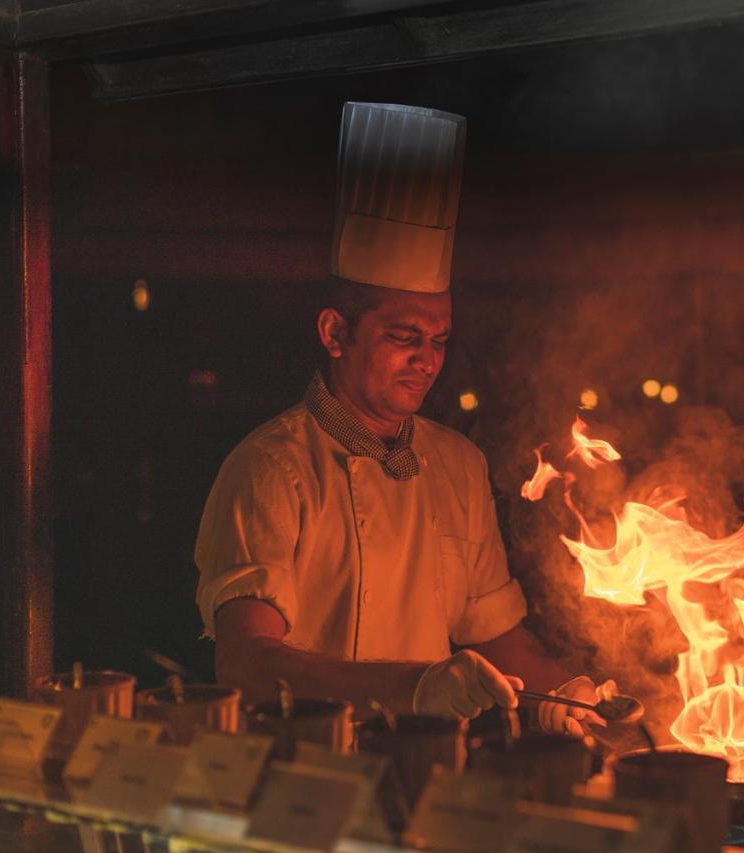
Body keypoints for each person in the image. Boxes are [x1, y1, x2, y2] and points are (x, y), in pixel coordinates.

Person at [194, 103, 609, 734]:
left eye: (440, 339)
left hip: (433, 770)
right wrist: (415, 686)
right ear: (335, 333)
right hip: (306, 779)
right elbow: (246, 662)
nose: (427, 360)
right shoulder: (270, 467)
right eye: (404, 335)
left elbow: (495, 634)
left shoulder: (459, 465)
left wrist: (568, 695)